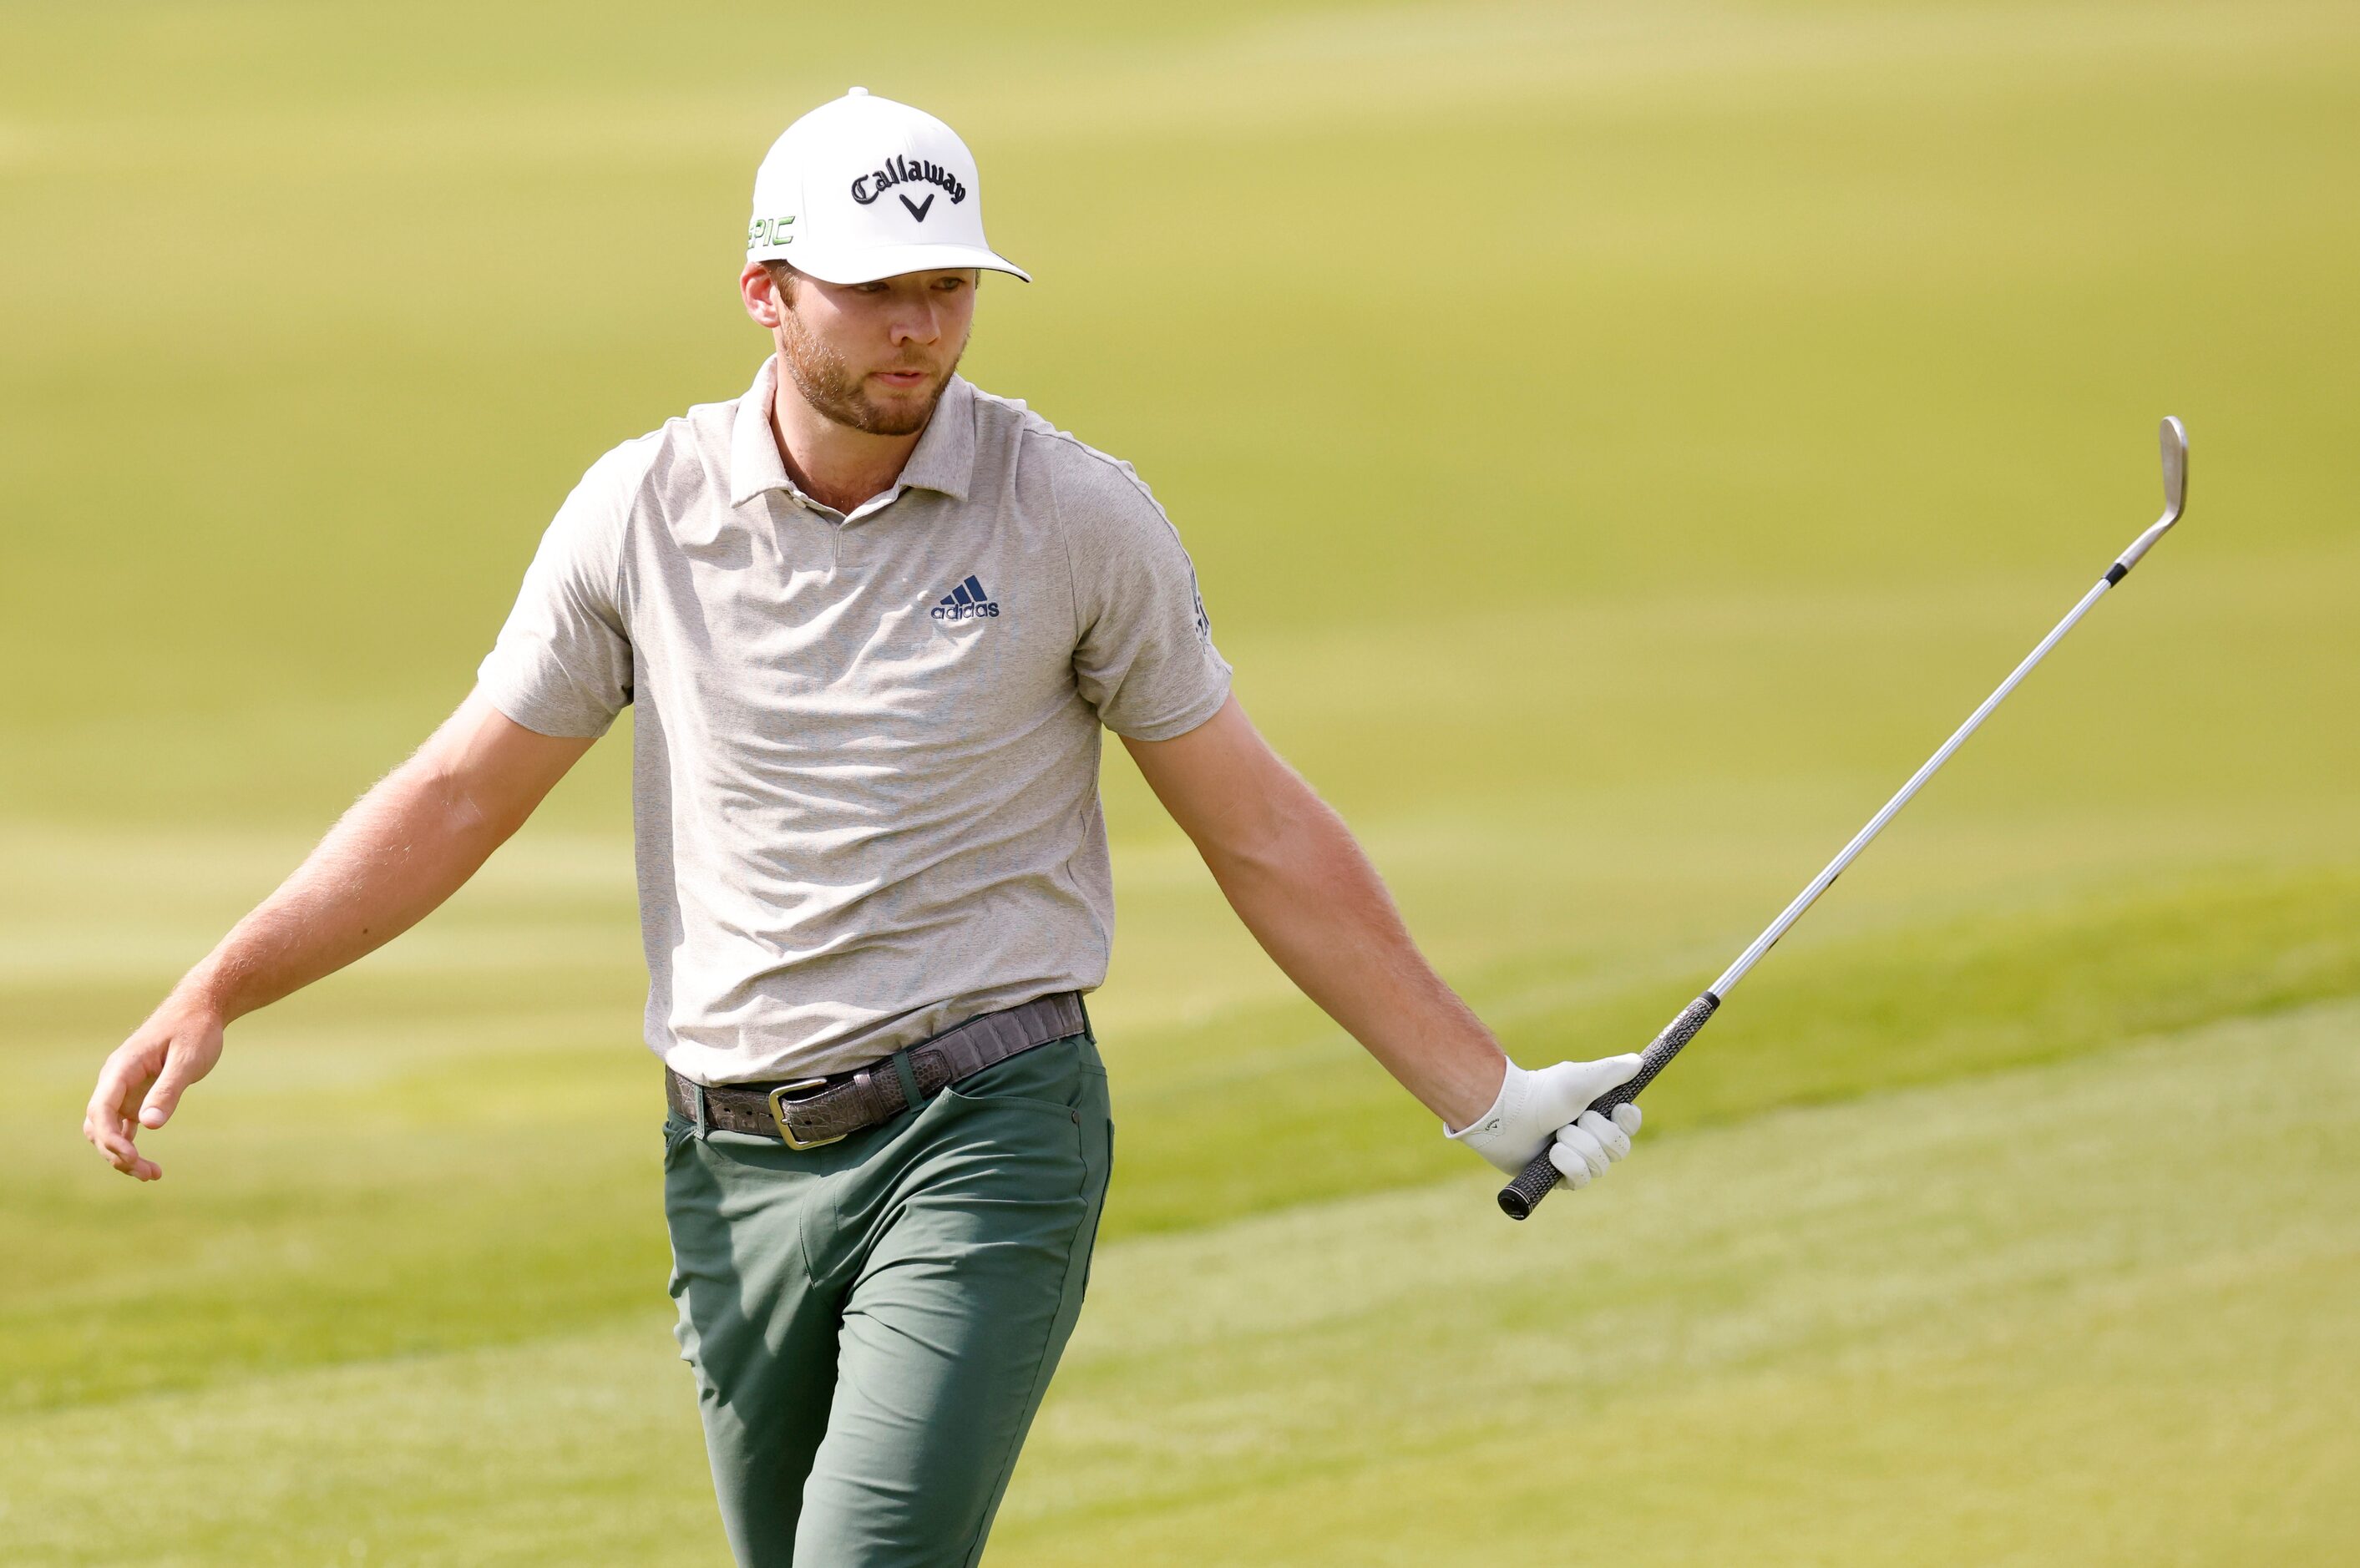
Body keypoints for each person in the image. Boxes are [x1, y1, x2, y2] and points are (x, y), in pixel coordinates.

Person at [80, 87, 1645, 1567]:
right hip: (729, 1157)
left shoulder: (1074, 516)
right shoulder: (641, 510)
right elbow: (460, 791)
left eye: (949, 285)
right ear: (766, 290)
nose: (919, 324)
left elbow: (1258, 831)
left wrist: (1488, 1096)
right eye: (875, 285)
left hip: (986, 1123)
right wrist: (223, 983)